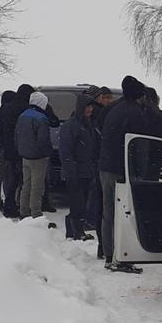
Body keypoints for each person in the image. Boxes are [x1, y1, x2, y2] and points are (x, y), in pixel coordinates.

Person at [98, 75, 149, 271]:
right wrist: (141, 174)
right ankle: (120, 257)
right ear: (139, 95)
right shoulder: (136, 113)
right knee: (122, 214)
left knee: (108, 212)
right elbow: (140, 145)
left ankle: (109, 253)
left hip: (105, 166)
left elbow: (100, 129)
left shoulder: (111, 108)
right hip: (122, 170)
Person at [59, 93, 97, 241]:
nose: (90, 109)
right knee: (77, 203)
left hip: (87, 171)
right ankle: (75, 231)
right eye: (87, 106)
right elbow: (66, 151)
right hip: (75, 172)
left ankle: (76, 230)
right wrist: (71, 172)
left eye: (91, 106)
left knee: (82, 202)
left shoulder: (88, 125)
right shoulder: (71, 126)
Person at [85, 86, 114, 258]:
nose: (109, 101)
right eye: (106, 98)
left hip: (98, 162)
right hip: (99, 163)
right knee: (102, 204)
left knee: (100, 203)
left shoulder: (99, 114)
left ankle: (103, 245)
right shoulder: (99, 115)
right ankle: (104, 245)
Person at [15, 91, 53, 220]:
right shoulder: (41, 118)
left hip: (25, 156)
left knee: (26, 184)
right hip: (38, 158)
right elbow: (44, 139)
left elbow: (17, 135)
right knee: (37, 186)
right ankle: (36, 212)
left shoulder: (22, 116)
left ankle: (23, 210)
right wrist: (47, 153)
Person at [0, 84, 35, 217]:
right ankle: (20, 206)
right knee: (24, 180)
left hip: (9, 148)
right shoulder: (26, 109)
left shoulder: (8, 108)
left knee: (12, 179)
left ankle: (9, 206)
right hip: (22, 148)